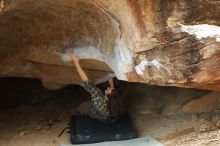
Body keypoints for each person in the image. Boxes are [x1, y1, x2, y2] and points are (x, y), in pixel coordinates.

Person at [67, 50, 125, 122]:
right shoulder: (115, 103)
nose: (108, 87)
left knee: (79, 108)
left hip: (94, 115)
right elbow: (113, 94)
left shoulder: (97, 96)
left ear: (108, 97)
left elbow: (86, 81)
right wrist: (111, 83)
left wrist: (76, 62)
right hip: (105, 117)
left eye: (108, 89)